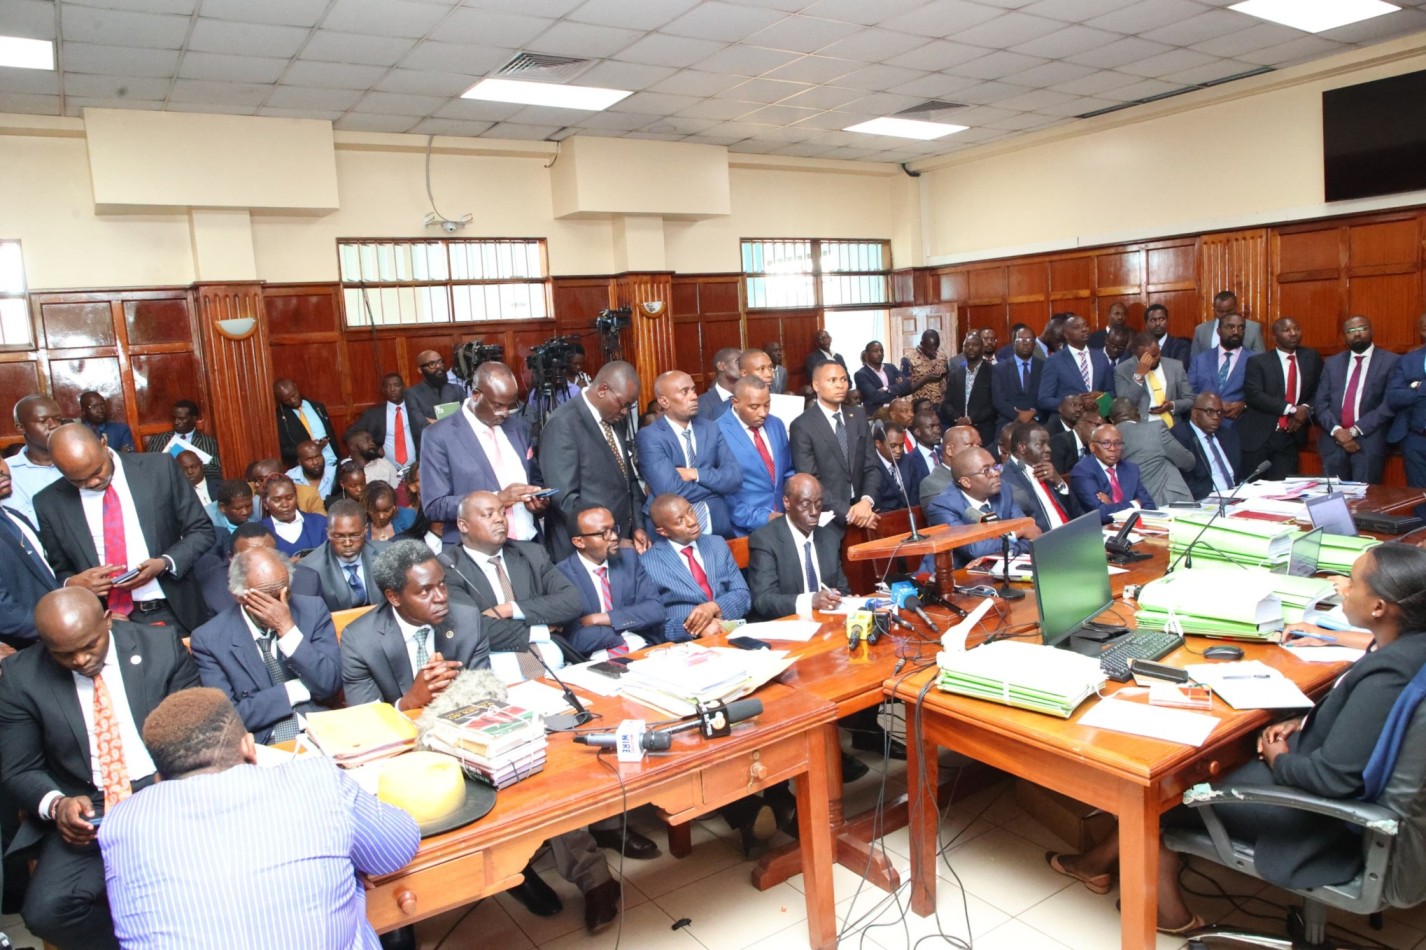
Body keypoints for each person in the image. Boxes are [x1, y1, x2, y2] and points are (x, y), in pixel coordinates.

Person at [1049, 543, 1426, 935]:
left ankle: (1167, 915)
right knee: (1210, 755)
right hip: (1329, 780)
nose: (1341, 588)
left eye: (1351, 582)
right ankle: (1093, 865)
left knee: (1163, 790)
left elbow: (1333, 779)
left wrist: (1279, 757)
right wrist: (1308, 719)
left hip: (1317, 817)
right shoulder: (1409, 648)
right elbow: (1370, 725)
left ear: (1380, 607)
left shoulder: (1387, 676)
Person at [341, 542, 620, 933]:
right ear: (393, 597)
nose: (440, 598)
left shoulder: (466, 617)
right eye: (424, 591)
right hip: (403, 758)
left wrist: (457, 701)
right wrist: (410, 702)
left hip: (469, 735)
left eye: (441, 584)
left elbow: (485, 692)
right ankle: (410, 908)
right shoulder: (361, 638)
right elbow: (364, 723)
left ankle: (592, 878)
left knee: (534, 771)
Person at [99, 687, 420, 950]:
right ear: (249, 747)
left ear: (159, 779)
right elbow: (399, 845)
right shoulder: (316, 780)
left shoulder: (121, 823)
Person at [0, 587, 200, 949]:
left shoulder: (160, 646)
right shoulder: (20, 676)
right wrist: (57, 804)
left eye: (89, 645)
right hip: (88, 809)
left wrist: (172, 778)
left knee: (195, 881)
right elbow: (18, 769)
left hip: (166, 791)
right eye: (64, 653)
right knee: (47, 911)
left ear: (108, 621)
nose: (79, 660)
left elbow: (197, 728)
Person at [35, 424, 216, 637]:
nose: (92, 482)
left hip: (171, 610)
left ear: (103, 443)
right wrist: (73, 583)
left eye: (96, 471)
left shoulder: (159, 469)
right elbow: (59, 569)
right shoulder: (48, 502)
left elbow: (202, 530)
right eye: (78, 480)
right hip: (103, 620)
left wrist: (164, 563)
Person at [190, 547, 342, 744]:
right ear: (238, 596)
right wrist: (291, 692)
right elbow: (228, 719)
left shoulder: (312, 610)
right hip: (262, 743)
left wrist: (287, 630)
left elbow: (329, 683)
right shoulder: (210, 639)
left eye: (285, 592)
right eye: (267, 597)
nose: (280, 604)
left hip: (320, 730)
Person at [437, 491, 581, 677]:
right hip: (495, 678)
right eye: (488, 515)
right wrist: (541, 628)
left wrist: (510, 609)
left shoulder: (532, 553)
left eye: (502, 513)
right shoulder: (448, 567)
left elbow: (571, 601)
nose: (500, 520)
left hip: (558, 668)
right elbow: (471, 629)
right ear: (463, 525)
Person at [422, 361, 549, 547]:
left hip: (530, 543)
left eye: (510, 406)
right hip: (475, 552)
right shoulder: (439, 436)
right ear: (476, 395)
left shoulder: (518, 427)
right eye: (498, 405)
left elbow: (535, 479)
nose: (505, 413)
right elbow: (435, 506)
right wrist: (497, 498)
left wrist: (538, 501)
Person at [539, 360, 649, 559]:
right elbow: (564, 498)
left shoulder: (613, 417)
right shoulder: (563, 424)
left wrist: (637, 526)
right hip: (583, 548)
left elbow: (627, 480)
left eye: (629, 407)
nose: (625, 412)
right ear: (603, 390)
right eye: (623, 404)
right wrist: (609, 537)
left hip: (619, 539)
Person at [637, 370, 740, 538]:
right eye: (684, 392)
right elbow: (670, 491)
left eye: (693, 390)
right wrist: (716, 488)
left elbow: (734, 477)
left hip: (716, 526)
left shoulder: (711, 428)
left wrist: (695, 474)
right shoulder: (650, 436)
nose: (693, 396)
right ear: (664, 401)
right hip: (669, 532)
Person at [555, 505, 664, 659]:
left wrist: (602, 619)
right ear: (579, 541)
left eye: (613, 529)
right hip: (594, 658)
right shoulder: (561, 575)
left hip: (641, 647)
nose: (613, 537)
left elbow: (655, 610)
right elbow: (574, 638)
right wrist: (621, 630)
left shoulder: (628, 560)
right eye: (603, 533)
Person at [640, 494, 750, 643]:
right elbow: (654, 626)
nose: (692, 521)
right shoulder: (648, 564)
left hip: (732, 632)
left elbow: (743, 594)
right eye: (680, 521)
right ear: (663, 531)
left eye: (690, 511)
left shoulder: (717, 544)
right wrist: (696, 628)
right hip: (687, 644)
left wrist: (714, 607)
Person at [789, 360, 881, 531]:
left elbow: (871, 465)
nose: (840, 385)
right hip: (828, 519)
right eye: (832, 380)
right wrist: (850, 513)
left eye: (843, 379)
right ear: (816, 385)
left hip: (866, 511)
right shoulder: (802, 425)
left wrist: (866, 502)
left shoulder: (858, 415)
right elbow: (811, 480)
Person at [747, 474, 848, 620]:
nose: (814, 512)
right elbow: (763, 600)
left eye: (818, 504)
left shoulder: (830, 538)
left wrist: (844, 600)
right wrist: (811, 601)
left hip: (827, 624)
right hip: (786, 628)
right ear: (787, 502)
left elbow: (842, 589)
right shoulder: (765, 540)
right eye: (805, 504)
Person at [1315, 314, 1398, 484]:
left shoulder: (1391, 361)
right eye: (1351, 331)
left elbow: (1388, 404)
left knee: (1365, 501)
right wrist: (1338, 431)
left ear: (1371, 331)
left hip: (1368, 441)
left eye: (1362, 329)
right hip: (1333, 441)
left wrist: (1353, 431)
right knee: (1333, 501)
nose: (1357, 334)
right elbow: (1320, 403)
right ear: (1344, 336)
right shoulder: (1332, 363)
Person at [924, 447, 1039, 567]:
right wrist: (1016, 533)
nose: (996, 473)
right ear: (966, 482)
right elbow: (975, 549)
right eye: (987, 471)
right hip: (953, 576)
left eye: (995, 467)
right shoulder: (943, 506)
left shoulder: (1003, 489)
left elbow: (1033, 533)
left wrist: (996, 555)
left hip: (994, 568)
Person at [1240, 316, 1323, 480]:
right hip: (1260, 437)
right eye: (1286, 330)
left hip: (1291, 437)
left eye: (1296, 329)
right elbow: (1254, 395)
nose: (1293, 334)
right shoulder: (1258, 362)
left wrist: (1305, 410)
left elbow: (1320, 391)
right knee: (1253, 492)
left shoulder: (1311, 357)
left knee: (1285, 491)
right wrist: (1291, 409)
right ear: (1274, 336)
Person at [717, 375, 792, 536]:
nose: (763, 413)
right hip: (745, 530)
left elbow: (787, 470)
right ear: (735, 403)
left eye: (767, 405)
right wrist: (762, 518)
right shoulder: (718, 432)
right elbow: (723, 490)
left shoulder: (776, 424)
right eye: (754, 407)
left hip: (785, 521)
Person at [0, 453, 59, 645]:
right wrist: (63, 627)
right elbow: (5, 612)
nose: (1, 470)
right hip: (28, 650)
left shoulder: (14, 517)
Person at [291, 499, 390, 612]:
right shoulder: (310, 568)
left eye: (355, 535)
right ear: (328, 533)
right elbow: (309, 616)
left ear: (365, 531)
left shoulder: (387, 553)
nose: (347, 543)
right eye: (339, 536)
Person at [1109, 398, 1194, 508]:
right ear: (1138, 413)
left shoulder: (1107, 441)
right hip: (1171, 502)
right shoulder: (1156, 429)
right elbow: (1187, 462)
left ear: (1111, 420)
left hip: (1136, 507)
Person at [999, 422, 1079, 533]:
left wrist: (1059, 482)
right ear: (1022, 447)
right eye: (1040, 444)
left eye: (1048, 444)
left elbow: (1076, 512)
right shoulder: (1006, 479)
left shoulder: (1048, 468)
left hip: (1073, 534)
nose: (1048, 449)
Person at [1069, 423, 1156, 523]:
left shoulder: (1130, 468)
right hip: (1098, 532)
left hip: (1132, 527)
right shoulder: (1082, 471)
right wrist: (1135, 504)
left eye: (1118, 444)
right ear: (1092, 447)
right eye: (1106, 443)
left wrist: (1111, 506)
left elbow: (1149, 505)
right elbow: (1101, 514)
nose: (1113, 449)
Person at [1037, 314, 1112, 415]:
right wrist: (1076, 403)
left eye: (1085, 325)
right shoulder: (1054, 361)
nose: (1084, 329)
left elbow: (1112, 393)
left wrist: (1100, 396)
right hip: (1069, 422)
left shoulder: (1101, 357)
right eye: (1077, 327)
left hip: (1097, 419)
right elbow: (1044, 400)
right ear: (1066, 334)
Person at [196, 523, 278, 617]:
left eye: (267, 555)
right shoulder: (210, 591)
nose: (259, 563)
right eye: (249, 557)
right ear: (231, 558)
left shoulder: (296, 577)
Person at [1173, 392, 1243, 500]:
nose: (1216, 417)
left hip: (1236, 496)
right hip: (1204, 500)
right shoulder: (1179, 437)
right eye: (1209, 412)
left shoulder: (1228, 435)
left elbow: (1238, 474)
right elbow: (1185, 481)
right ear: (1194, 412)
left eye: (1220, 412)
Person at [1115, 331, 1194, 427]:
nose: (1153, 360)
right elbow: (1125, 406)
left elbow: (1190, 399)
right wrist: (1139, 375)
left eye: (1156, 354)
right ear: (1136, 354)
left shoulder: (1175, 366)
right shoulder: (1122, 370)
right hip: (1143, 427)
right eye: (1147, 357)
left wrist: (1172, 405)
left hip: (1173, 426)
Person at [1187, 310, 1250, 429]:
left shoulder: (1254, 359)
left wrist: (1244, 405)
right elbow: (1189, 393)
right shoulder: (1200, 359)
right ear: (1219, 331)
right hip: (1203, 426)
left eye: (1241, 328)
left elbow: (1261, 394)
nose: (1236, 332)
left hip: (1239, 427)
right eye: (1230, 327)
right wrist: (1212, 406)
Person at [7, 394, 64, 524]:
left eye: (58, 419)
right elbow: (25, 522)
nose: (54, 426)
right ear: (20, 428)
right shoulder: (8, 473)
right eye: (43, 421)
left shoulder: (78, 462)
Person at [1386, 313, 1426, 487]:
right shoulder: (1409, 359)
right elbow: (1394, 396)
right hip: (1416, 439)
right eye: (1424, 328)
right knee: (1418, 496)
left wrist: (1417, 386)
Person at [942, 330, 996, 446]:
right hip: (959, 430)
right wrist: (957, 418)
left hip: (985, 432)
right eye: (967, 345)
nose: (970, 348)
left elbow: (994, 403)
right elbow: (946, 402)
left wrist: (971, 419)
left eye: (975, 345)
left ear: (982, 349)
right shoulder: (955, 375)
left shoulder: (993, 372)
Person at [144, 399, 221, 479]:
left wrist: (191, 466)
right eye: (174, 418)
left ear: (194, 419)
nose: (176, 422)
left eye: (181, 418)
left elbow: (216, 470)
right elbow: (148, 467)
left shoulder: (208, 442)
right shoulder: (157, 440)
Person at [357, 372, 419, 468]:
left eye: (396, 385)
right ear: (383, 390)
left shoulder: (415, 409)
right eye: (388, 386)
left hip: (417, 467)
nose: (392, 389)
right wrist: (372, 446)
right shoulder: (373, 414)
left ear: (403, 387)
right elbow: (351, 434)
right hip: (387, 470)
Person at [272, 378, 336, 469]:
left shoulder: (317, 406)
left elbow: (331, 434)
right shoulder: (280, 418)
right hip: (308, 469)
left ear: (296, 387)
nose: (293, 401)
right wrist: (309, 449)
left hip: (333, 461)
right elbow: (283, 450)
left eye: (293, 395)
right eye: (287, 400)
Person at [991, 325, 1044, 434]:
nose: (1025, 342)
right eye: (1021, 339)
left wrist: (1033, 412)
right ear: (1013, 343)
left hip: (1038, 420)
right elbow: (999, 400)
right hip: (1008, 421)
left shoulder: (1044, 366)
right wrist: (1019, 415)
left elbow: (1046, 394)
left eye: (1029, 339)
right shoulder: (999, 368)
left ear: (1034, 344)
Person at [260, 473, 327, 558]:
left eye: (289, 498)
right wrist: (288, 564)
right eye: (277, 500)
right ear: (265, 503)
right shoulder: (259, 532)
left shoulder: (319, 523)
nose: (285, 504)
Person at [405, 349, 466, 437]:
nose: (438, 366)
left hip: (457, 443)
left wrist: (433, 422)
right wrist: (453, 423)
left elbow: (468, 419)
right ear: (420, 370)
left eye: (440, 362)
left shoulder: (457, 389)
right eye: (432, 364)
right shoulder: (412, 394)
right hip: (430, 447)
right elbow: (421, 426)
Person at [919, 425, 982, 509]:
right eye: (970, 445)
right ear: (950, 449)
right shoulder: (932, 484)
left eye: (979, 445)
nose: (977, 451)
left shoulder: (982, 476)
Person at [1191, 290, 1266, 357]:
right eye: (1220, 311)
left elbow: (1260, 359)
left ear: (1236, 308)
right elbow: (1194, 360)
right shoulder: (1201, 330)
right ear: (1214, 309)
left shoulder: (1253, 328)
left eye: (1229, 311)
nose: (1224, 315)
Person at [854, 340, 911, 413]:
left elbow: (907, 385)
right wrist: (897, 389)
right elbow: (875, 397)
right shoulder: (861, 374)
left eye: (881, 350)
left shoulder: (891, 367)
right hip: (876, 414)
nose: (879, 353)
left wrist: (887, 388)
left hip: (897, 412)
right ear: (867, 355)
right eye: (875, 351)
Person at [870, 420, 916, 512]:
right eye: (893, 446)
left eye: (901, 446)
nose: (898, 450)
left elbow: (914, 494)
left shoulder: (908, 461)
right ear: (878, 444)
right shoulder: (870, 465)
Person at [1050, 395, 1100, 475]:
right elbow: (1058, 476)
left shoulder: (1090, 447)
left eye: (1081, 406)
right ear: (1081, 423)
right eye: (1096, 425)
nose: (1078, 409)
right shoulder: (1059, 442)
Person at [902, 407, 943, 499]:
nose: (937, 430)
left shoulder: (945, 455)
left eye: (938, 426)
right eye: (931, 427)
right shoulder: (909, 461)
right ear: (918, 432)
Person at [902, 329, 948, 407]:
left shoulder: (942, 356)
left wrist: (944, 373)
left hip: (941, 405)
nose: (934, 352)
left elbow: (948, 378)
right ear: (922, 344)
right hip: (920, 407)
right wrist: (926, 379)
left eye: (936, 348)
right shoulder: (908, 359)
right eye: (930, 349)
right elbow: (904, 389)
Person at [697, 347, 741, 420]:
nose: (743, 366)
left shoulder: (751, 396)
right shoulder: (702, 403)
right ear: (721, 366)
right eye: (738, 362)